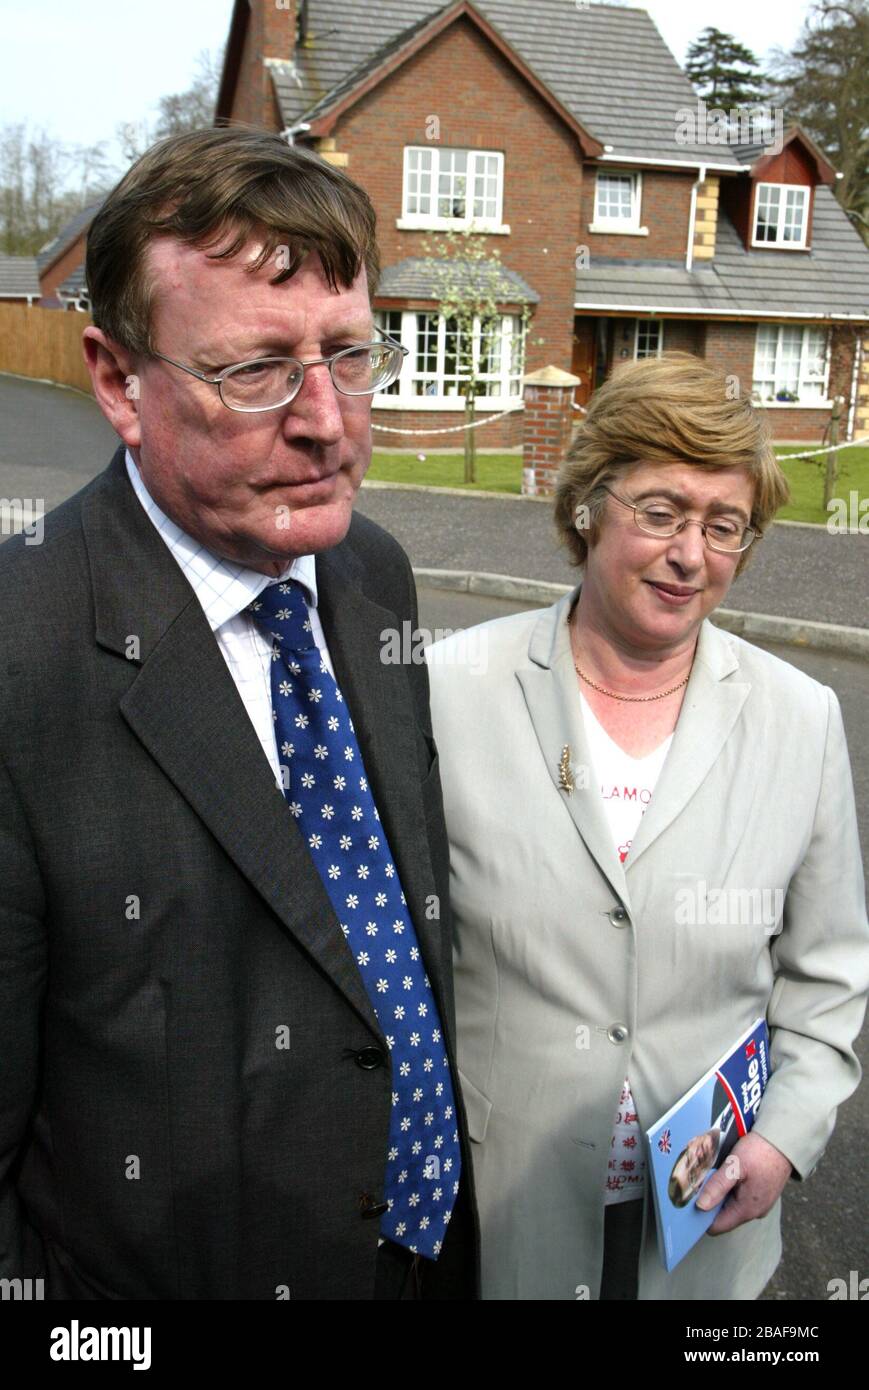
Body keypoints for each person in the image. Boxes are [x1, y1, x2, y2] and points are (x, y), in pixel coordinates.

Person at [0, 126, 479, 1300]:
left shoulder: (371, 571)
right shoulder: (17, 652)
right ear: (118, 380)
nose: (325, 420)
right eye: (256, 372)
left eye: (350, 356)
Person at [426, 353, 869, 1300]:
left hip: (705, 1229)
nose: (690, 556)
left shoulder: (800, 716)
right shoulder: (446, 689)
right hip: (499, 1211)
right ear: (585, 504)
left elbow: (826, 979)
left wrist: (786, 1137)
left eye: (724, 526)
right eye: (660, 511)